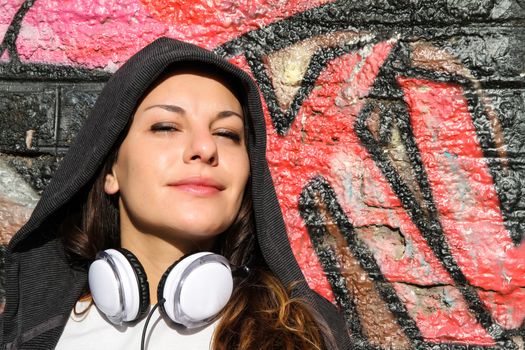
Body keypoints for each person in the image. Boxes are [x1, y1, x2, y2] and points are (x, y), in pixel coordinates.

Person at [1, 37, 351, 349]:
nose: (204, 148)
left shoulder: (307, 336)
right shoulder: (32, 334)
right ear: (110, 170)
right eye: (166, 127)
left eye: (227, 133)